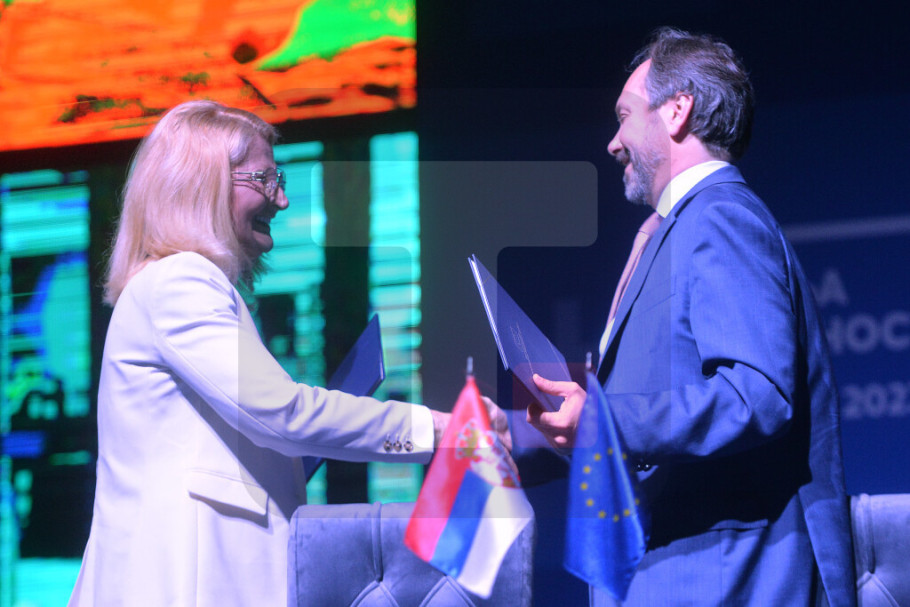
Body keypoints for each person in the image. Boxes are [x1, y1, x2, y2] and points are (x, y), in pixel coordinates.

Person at [68, 100, 510, 606]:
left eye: (279, 180)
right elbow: (281, 413)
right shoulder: (181, 281)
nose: (280, 200)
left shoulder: (177, 285)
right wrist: (440, 430)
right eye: (264, 179)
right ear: (202, 184)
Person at [527, 28, 855, 606]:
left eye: (624, 116)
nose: (613, 142)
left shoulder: (720, 216)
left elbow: (758, 396)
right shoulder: (678, 229)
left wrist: (604, 420)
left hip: (723, 582)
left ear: (677, 111)